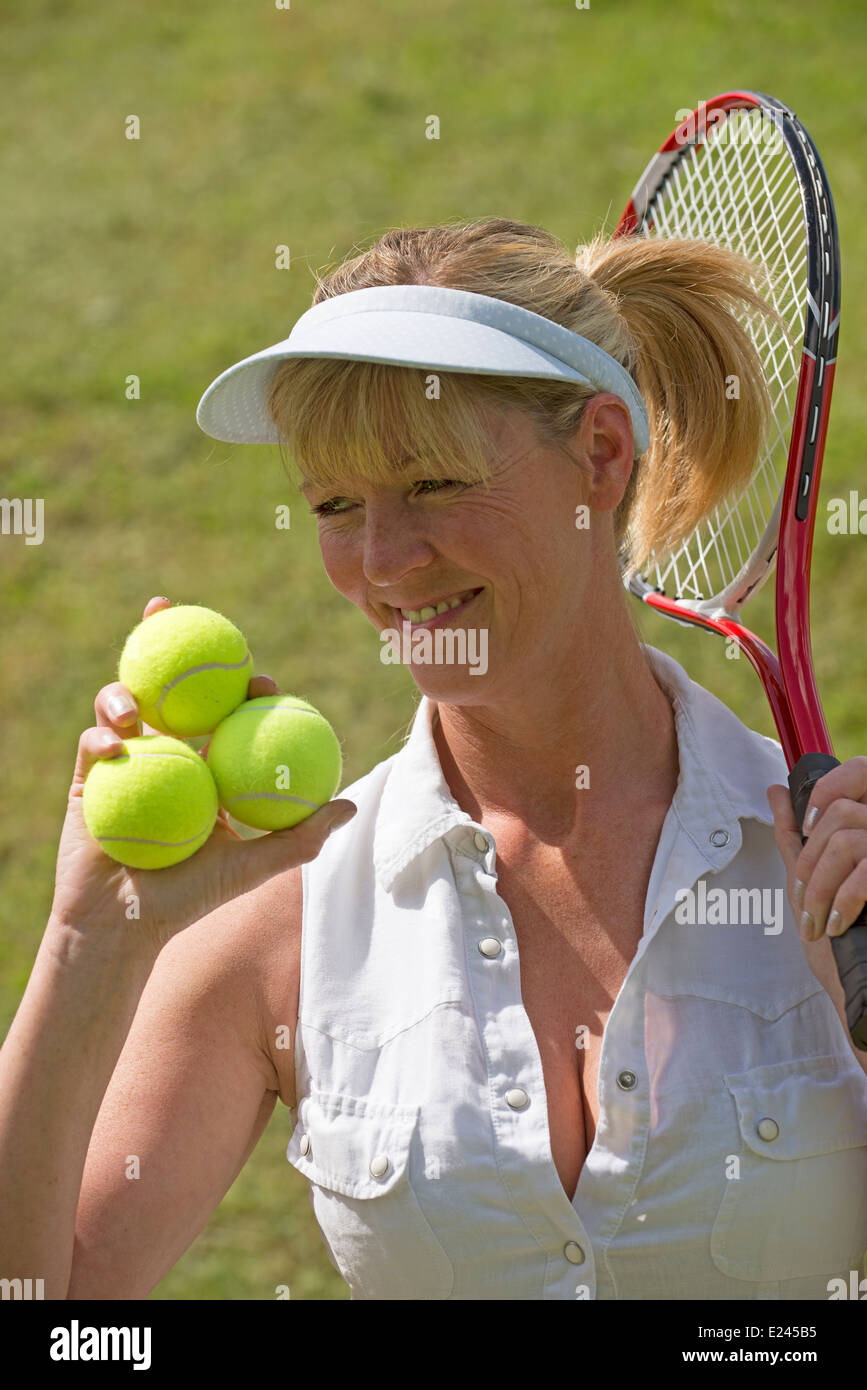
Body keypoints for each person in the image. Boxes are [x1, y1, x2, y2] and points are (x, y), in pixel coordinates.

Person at [1, 218, 865, 1302]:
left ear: (601, 455)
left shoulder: (833, 874)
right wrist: (88, 944)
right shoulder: (281, 915)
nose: (384, 562)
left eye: (436, 483)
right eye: (334, 505)